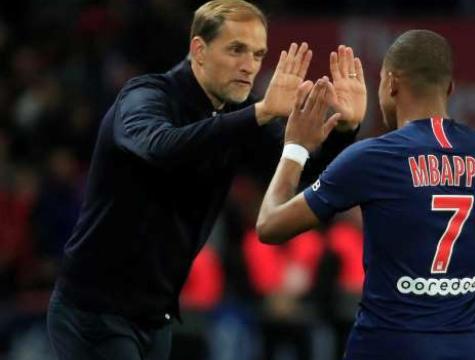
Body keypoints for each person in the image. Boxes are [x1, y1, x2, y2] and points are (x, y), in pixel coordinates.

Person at [46, 0, 366, 359]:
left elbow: (298, 167)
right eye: (236, 50)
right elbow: (161, 147)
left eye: (258, 54)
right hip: (94, 313)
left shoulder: (236, 114)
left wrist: (344, 129)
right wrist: (259, 113)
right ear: (198, 49)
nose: (250, 66)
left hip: (155, 317)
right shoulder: (145, 97)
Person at [257, 29, 475, 360]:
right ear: (449, 88)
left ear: (390, 83)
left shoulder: (375, 157)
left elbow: (270, 225)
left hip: (386, 345)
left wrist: (295, 148)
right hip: (464, 347)